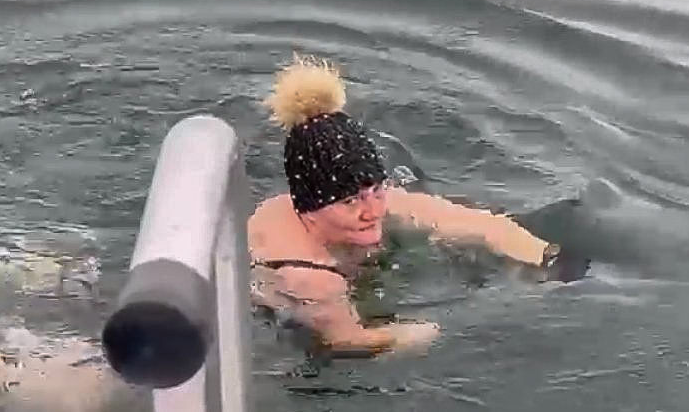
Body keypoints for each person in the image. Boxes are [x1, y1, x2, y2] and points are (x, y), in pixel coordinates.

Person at [248, 54, 589, 357]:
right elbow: (344, 341)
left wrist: (546, 258)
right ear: (309, 209)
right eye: (351, 201)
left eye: (376, 191)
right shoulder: (309, 277)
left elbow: (479, 224)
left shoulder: (359, 202)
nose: (373, 210)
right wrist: (416, 334)